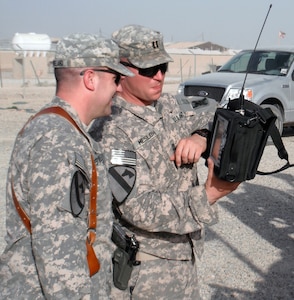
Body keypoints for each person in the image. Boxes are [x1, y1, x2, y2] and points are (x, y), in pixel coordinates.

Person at [89, 25, 240, 299]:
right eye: (148, 69)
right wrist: (210, 194)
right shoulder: (111, 128)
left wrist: (200, 138)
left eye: (162, 66)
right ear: (120, 70)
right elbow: (139, 207)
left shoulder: (167, 105)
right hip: (149, 269)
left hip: (183, 255)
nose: (159, 76)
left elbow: (215, 114)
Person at [0, 33, 133, 299]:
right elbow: (59, 251)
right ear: (91, 79)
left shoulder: (63, 131)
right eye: (115, 79)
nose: (119, 89)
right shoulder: (58, 140)